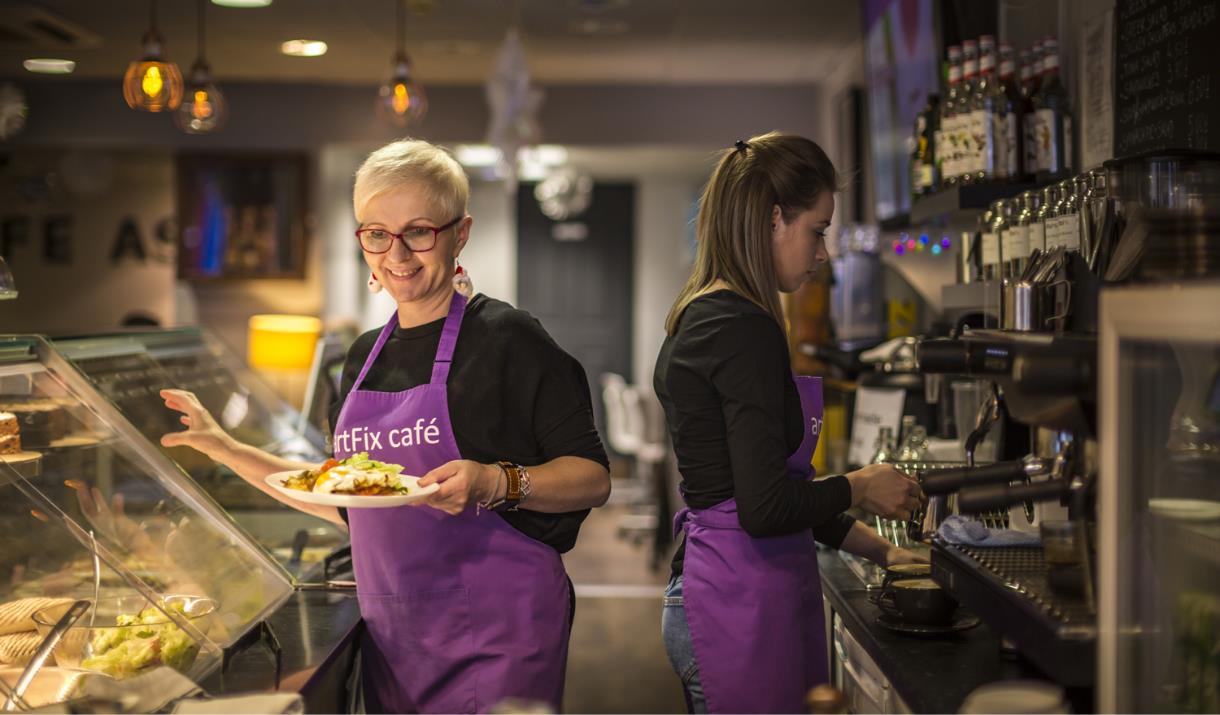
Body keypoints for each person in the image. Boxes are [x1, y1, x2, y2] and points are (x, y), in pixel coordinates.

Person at [159, 139, 612, 714]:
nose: (396, 254)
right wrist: (223, 449)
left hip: (498, 634)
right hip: (395, 637)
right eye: (376, 234)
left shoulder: (509, 339)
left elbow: (593, 477)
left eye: (419, 230)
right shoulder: (362, 355)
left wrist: (496, 481)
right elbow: (347, 497)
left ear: (460, 233)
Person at [654, 132, 926, 714]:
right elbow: (765, 508)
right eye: (818, 230)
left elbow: (762, 488)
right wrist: (861, 485)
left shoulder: (705, 311)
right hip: (737, 600)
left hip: (726, 587)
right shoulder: (742, 328)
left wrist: (884, 553)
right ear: (775, 219)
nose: (822, 252)